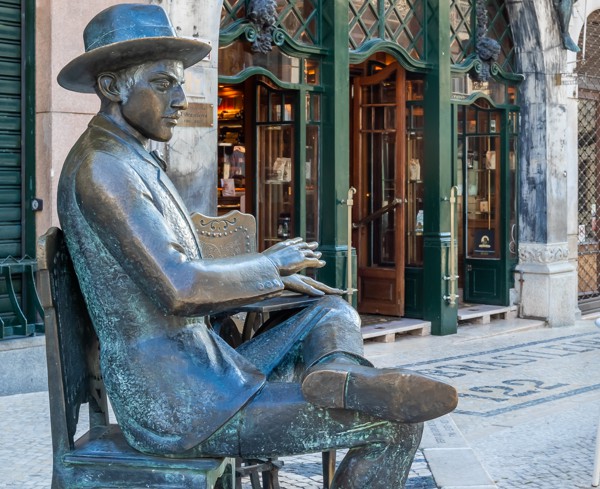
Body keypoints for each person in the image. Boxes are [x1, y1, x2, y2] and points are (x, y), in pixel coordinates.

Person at [56, 4, 457, 487]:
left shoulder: (129, 157)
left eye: (181, 82)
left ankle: (340, 376)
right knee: (395, 427)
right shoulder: (105, 168)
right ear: (110, 87)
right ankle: (345, 381)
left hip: (208, 371)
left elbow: (170, 281)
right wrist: (268, 265)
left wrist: (274, 281)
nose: (181, 98)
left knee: (330, 309)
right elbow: (179, 287)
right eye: (163, 84)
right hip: (178, 403)